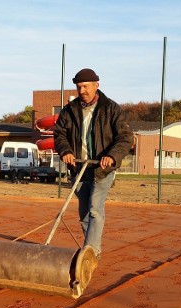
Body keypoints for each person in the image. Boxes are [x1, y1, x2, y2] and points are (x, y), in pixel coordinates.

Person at [53, 68, 134, 260]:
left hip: (102, 169)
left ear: (96, 86)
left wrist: (112, 156)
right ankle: (90, 248)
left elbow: (125, 137)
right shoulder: (69, 110)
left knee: (95, 209)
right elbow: (59, 134)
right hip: (79, 168)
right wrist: (66, 151)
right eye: (79, 87)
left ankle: (91, 253)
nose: (82, 90)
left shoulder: (111, 109)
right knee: (83, 214)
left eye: (86, 86)